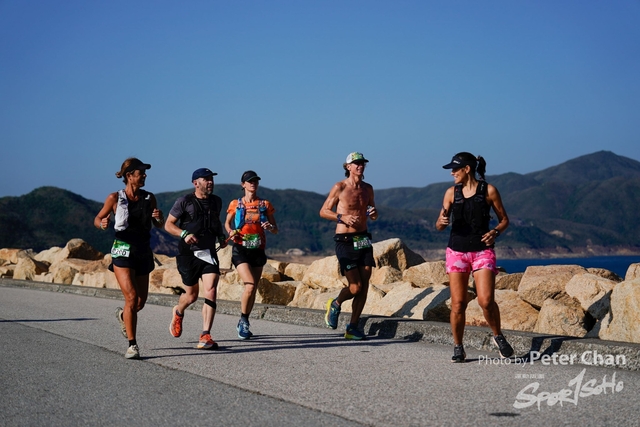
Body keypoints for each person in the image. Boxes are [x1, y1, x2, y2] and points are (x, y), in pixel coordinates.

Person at [435, 152, 514, 362]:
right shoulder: (451, 193)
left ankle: (498, 336)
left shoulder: (488, 190)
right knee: (458, 304)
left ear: (467, 169)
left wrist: (495, 232)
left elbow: (504, 220)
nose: (452, 173)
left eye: (455, 169)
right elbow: (439, 224)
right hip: (456, 252)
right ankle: (458, 347)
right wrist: (441, 222)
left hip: (482, 251)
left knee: (486, 301)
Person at [94, 157, 164, 359]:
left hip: (143, 251)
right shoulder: (114, 198)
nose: (144, 176)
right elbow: (97, 218)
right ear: (129, 176)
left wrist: (159, 218)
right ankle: (132, 345)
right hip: (122, 250)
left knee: (140, 302)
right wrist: (102, 224)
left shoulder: (149, 198)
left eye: (144, 172)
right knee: (131, 298)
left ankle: (123, 315)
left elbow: (159, 224)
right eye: (141, 172)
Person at [165, 168, 228, 350]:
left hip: (208, 252)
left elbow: (215, 222)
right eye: (206, 179)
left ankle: (205, 334)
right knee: (191, 296)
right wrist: (183, 234)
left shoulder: (216, 201)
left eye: (211, 179)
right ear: (195, 183)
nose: (210, 182)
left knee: (211, 290)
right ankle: (178, 311)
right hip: (188, 254)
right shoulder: (184, 201)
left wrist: (221, 236)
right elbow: (168, 224)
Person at [320, 152, 378, 340]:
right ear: (348, 167)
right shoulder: (340, 187)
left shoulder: (368, 189)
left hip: (363, 239)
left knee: (365, 284)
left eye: (362, 163)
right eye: (356, 163)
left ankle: (352, 327)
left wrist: (374, 213)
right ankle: (335, 304)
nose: (360, 166)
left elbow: (373, 213)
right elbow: (323, 211)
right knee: (355, 287)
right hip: (344, 240)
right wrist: (341, 217)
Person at [224, 170, 278, 339]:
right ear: (243, 185)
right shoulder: (236, 203)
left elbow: (275, 230)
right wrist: (231, 231)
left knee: (253, 288)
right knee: (249, 285)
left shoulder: (265, 204)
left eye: (255, 181)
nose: (253, 183)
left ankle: (244, 320)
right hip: (240, 248)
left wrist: (270, 227)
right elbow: (227, 223)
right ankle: (243, 320)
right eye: (250, 181)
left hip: (258, 249)